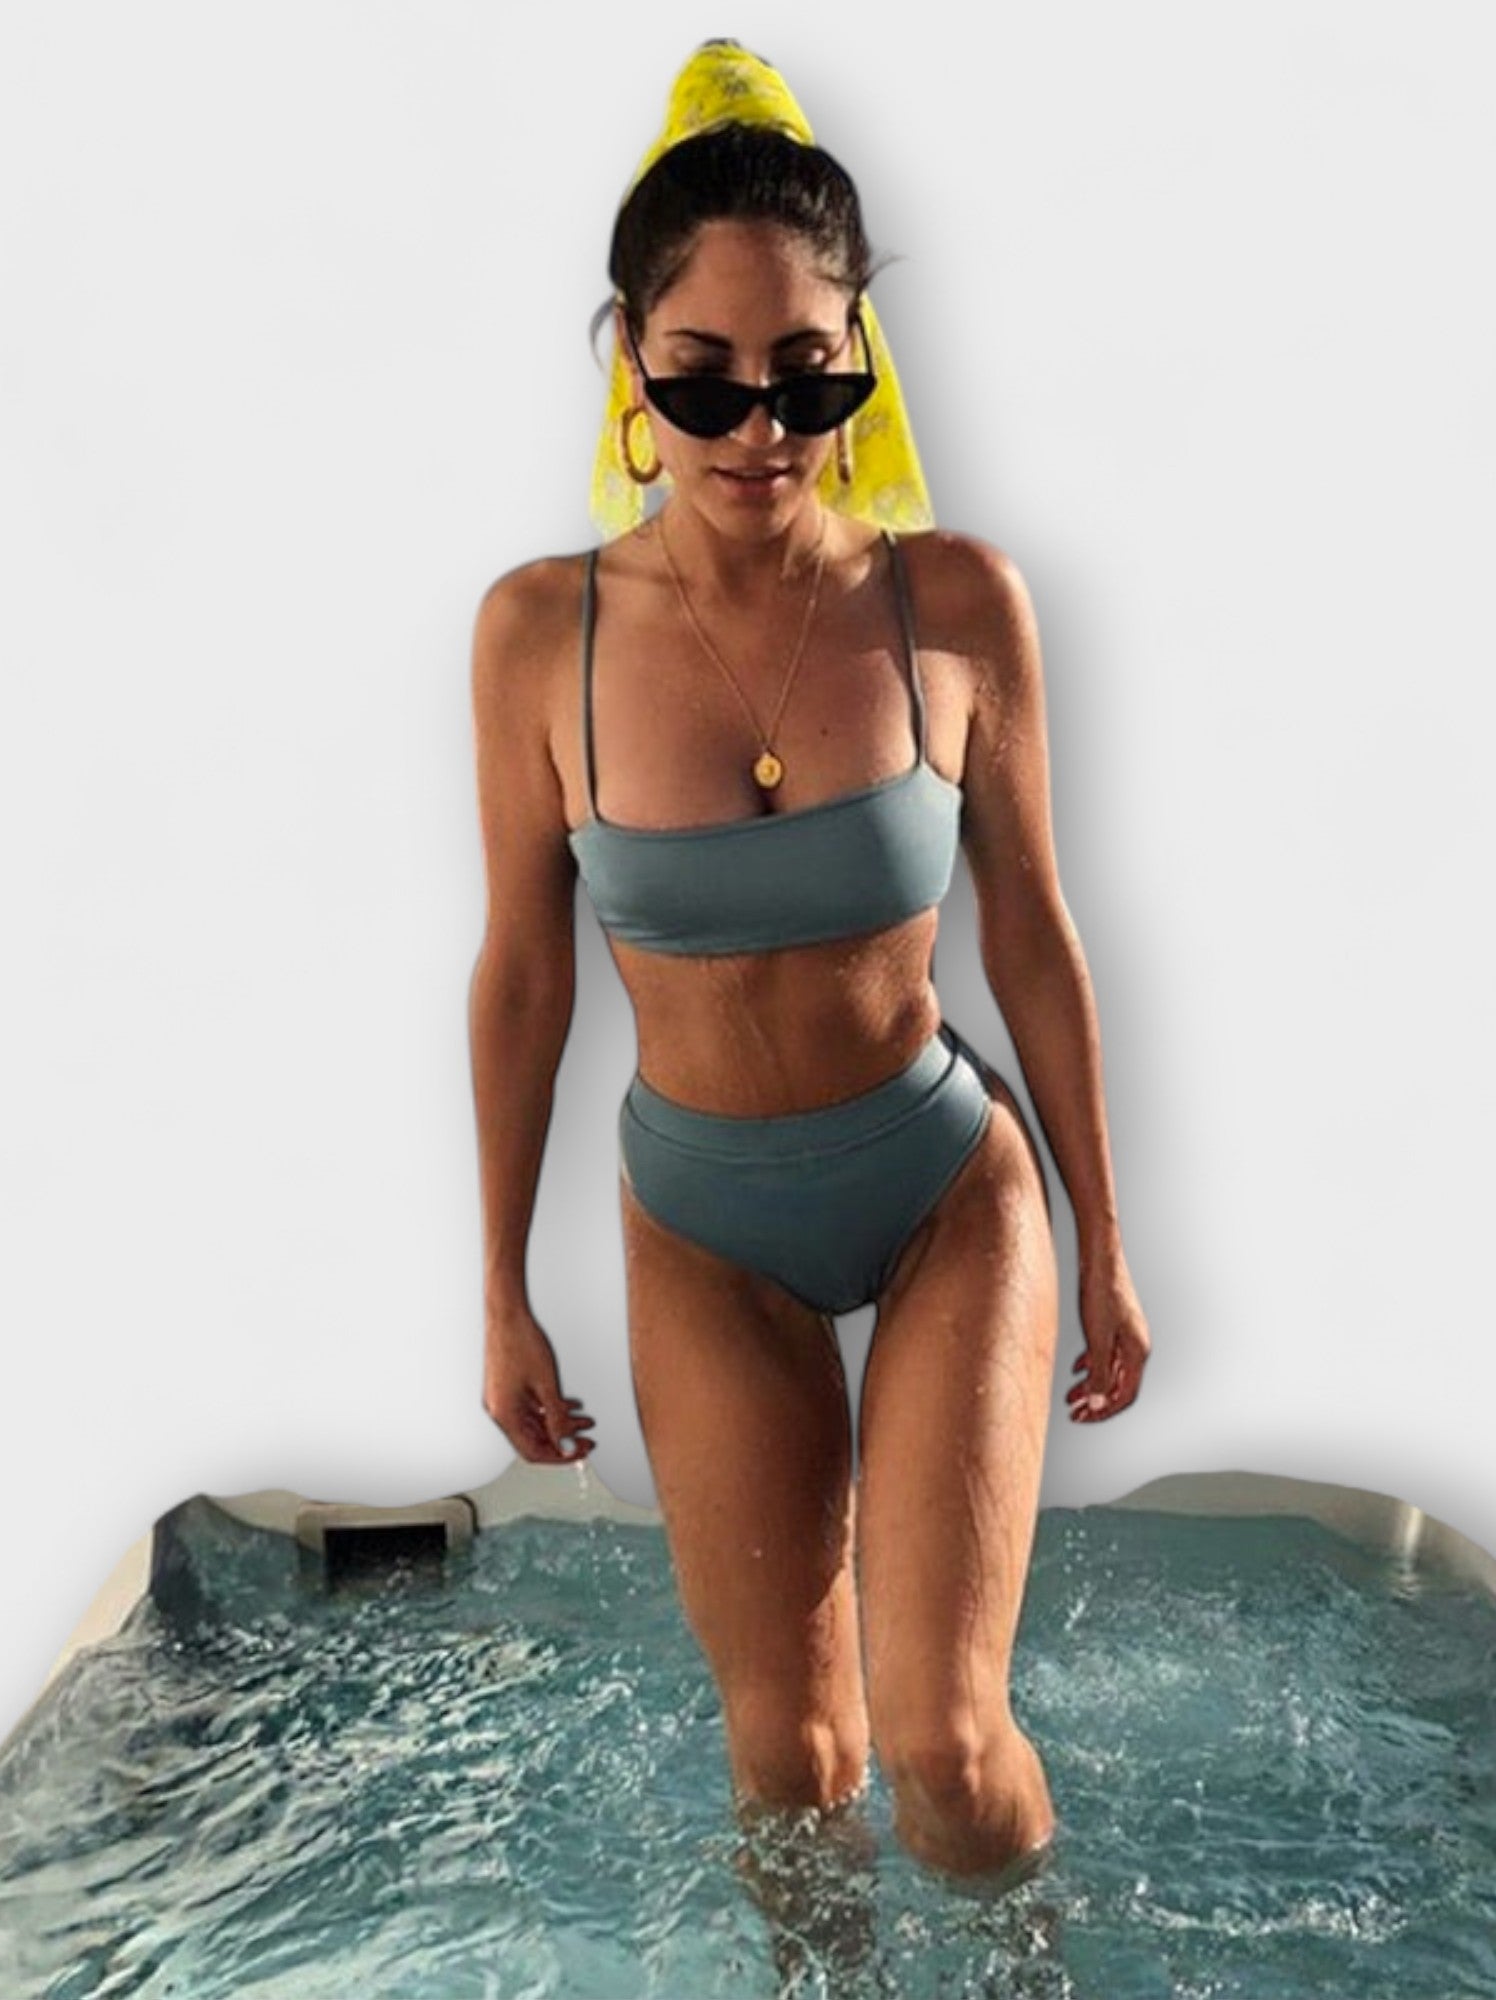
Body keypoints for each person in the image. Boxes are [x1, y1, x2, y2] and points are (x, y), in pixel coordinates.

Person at [467, 41, 1150, 1885]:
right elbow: (523, 977)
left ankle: (1028, 1978)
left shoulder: (959, 606)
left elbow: (1035, 932)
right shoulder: (538, 637)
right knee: (792, 1759)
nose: (760, 427)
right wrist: (501, 1284)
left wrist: (1104, 1237)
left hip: (941, 1195)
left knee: (944, 1751)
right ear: (631, 365)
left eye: (807, 376)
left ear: (864, 364)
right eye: (705, 379)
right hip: (703, 1236)